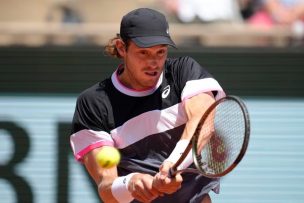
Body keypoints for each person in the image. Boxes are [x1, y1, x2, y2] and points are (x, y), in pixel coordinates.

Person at [70, 8, 225, 203]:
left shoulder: (182, 72)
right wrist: (130, 184)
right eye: (143, 52)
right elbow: (106, 187)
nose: (153, 62)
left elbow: (204, 120)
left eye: (160, 52)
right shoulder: (93, 103)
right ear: (121, 48)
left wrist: (172, 164)